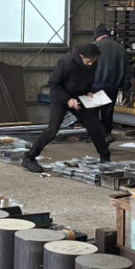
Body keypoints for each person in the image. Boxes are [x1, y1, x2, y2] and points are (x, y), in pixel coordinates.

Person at [22, 43, 112, 173]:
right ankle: (29, 158)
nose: (91, 64)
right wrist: (68, 100)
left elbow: (88, 81)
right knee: (52, 131)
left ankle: (105, 156)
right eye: (89, 61)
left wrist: (89, 91)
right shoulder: (66, 62)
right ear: (81, 56)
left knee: (93, 125)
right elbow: (54, 85)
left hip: (78, 98)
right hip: (60, 98)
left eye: (94, 61)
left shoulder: (92, 64)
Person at [92, 23, 129, 140]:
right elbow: (127, 70)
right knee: (107, 114)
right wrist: (125, 88)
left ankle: (103, 135)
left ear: (97, 37)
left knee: (91, 113)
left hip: (96, 86)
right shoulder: (120, 48)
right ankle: (106, 136)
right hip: (113, 87)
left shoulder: (94, 46)